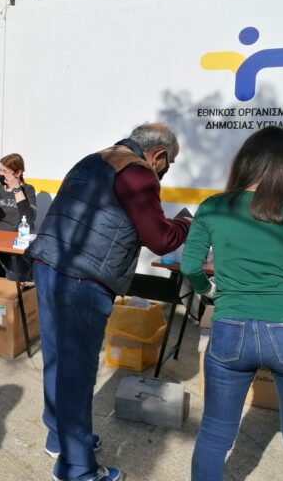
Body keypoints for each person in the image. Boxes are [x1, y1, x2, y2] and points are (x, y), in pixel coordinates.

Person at [26, 123, 191, 481]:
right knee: (79, 372)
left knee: (57, 360)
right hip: (82, 279)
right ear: (158, 155)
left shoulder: (93, 160)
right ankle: (77, 468)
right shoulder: (137, 172)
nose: (164, 171)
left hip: (47, 264)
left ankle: (61, 438)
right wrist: (184, 223)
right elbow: (161, 239)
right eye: (169, 164)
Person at [181, 126, 283, 481]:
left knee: (215, 436)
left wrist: (211, 291)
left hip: (231, 327)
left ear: (247, 162)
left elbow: (190, 266)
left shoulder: (214, 207)